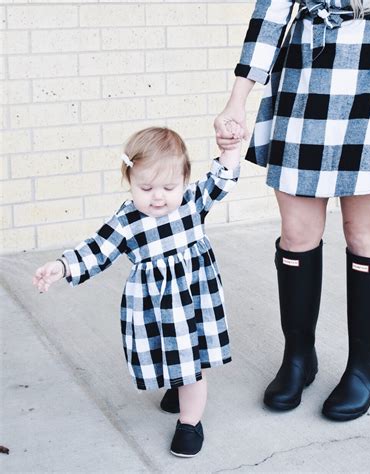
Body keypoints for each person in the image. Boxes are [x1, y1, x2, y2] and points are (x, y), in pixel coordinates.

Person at [215, 0, 370, 420]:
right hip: (307, 74)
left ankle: (364, 369)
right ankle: (299, 358)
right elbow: (270, 15)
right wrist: (238, 98)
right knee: (297, 234)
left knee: (363, 235)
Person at [32, 125, 242, 456]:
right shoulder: (128, 219)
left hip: (193, 299)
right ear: (129, 183)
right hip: (154, 306)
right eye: (145, 187)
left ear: (185, 180)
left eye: (168, 186)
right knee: (167, 351)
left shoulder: (192, 202)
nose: (158, 196)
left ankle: (190, 422)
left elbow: (223, 178)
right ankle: (177, 384)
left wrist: (230, 147)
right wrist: (62, 266)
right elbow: (97, 249)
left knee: (190, 360)